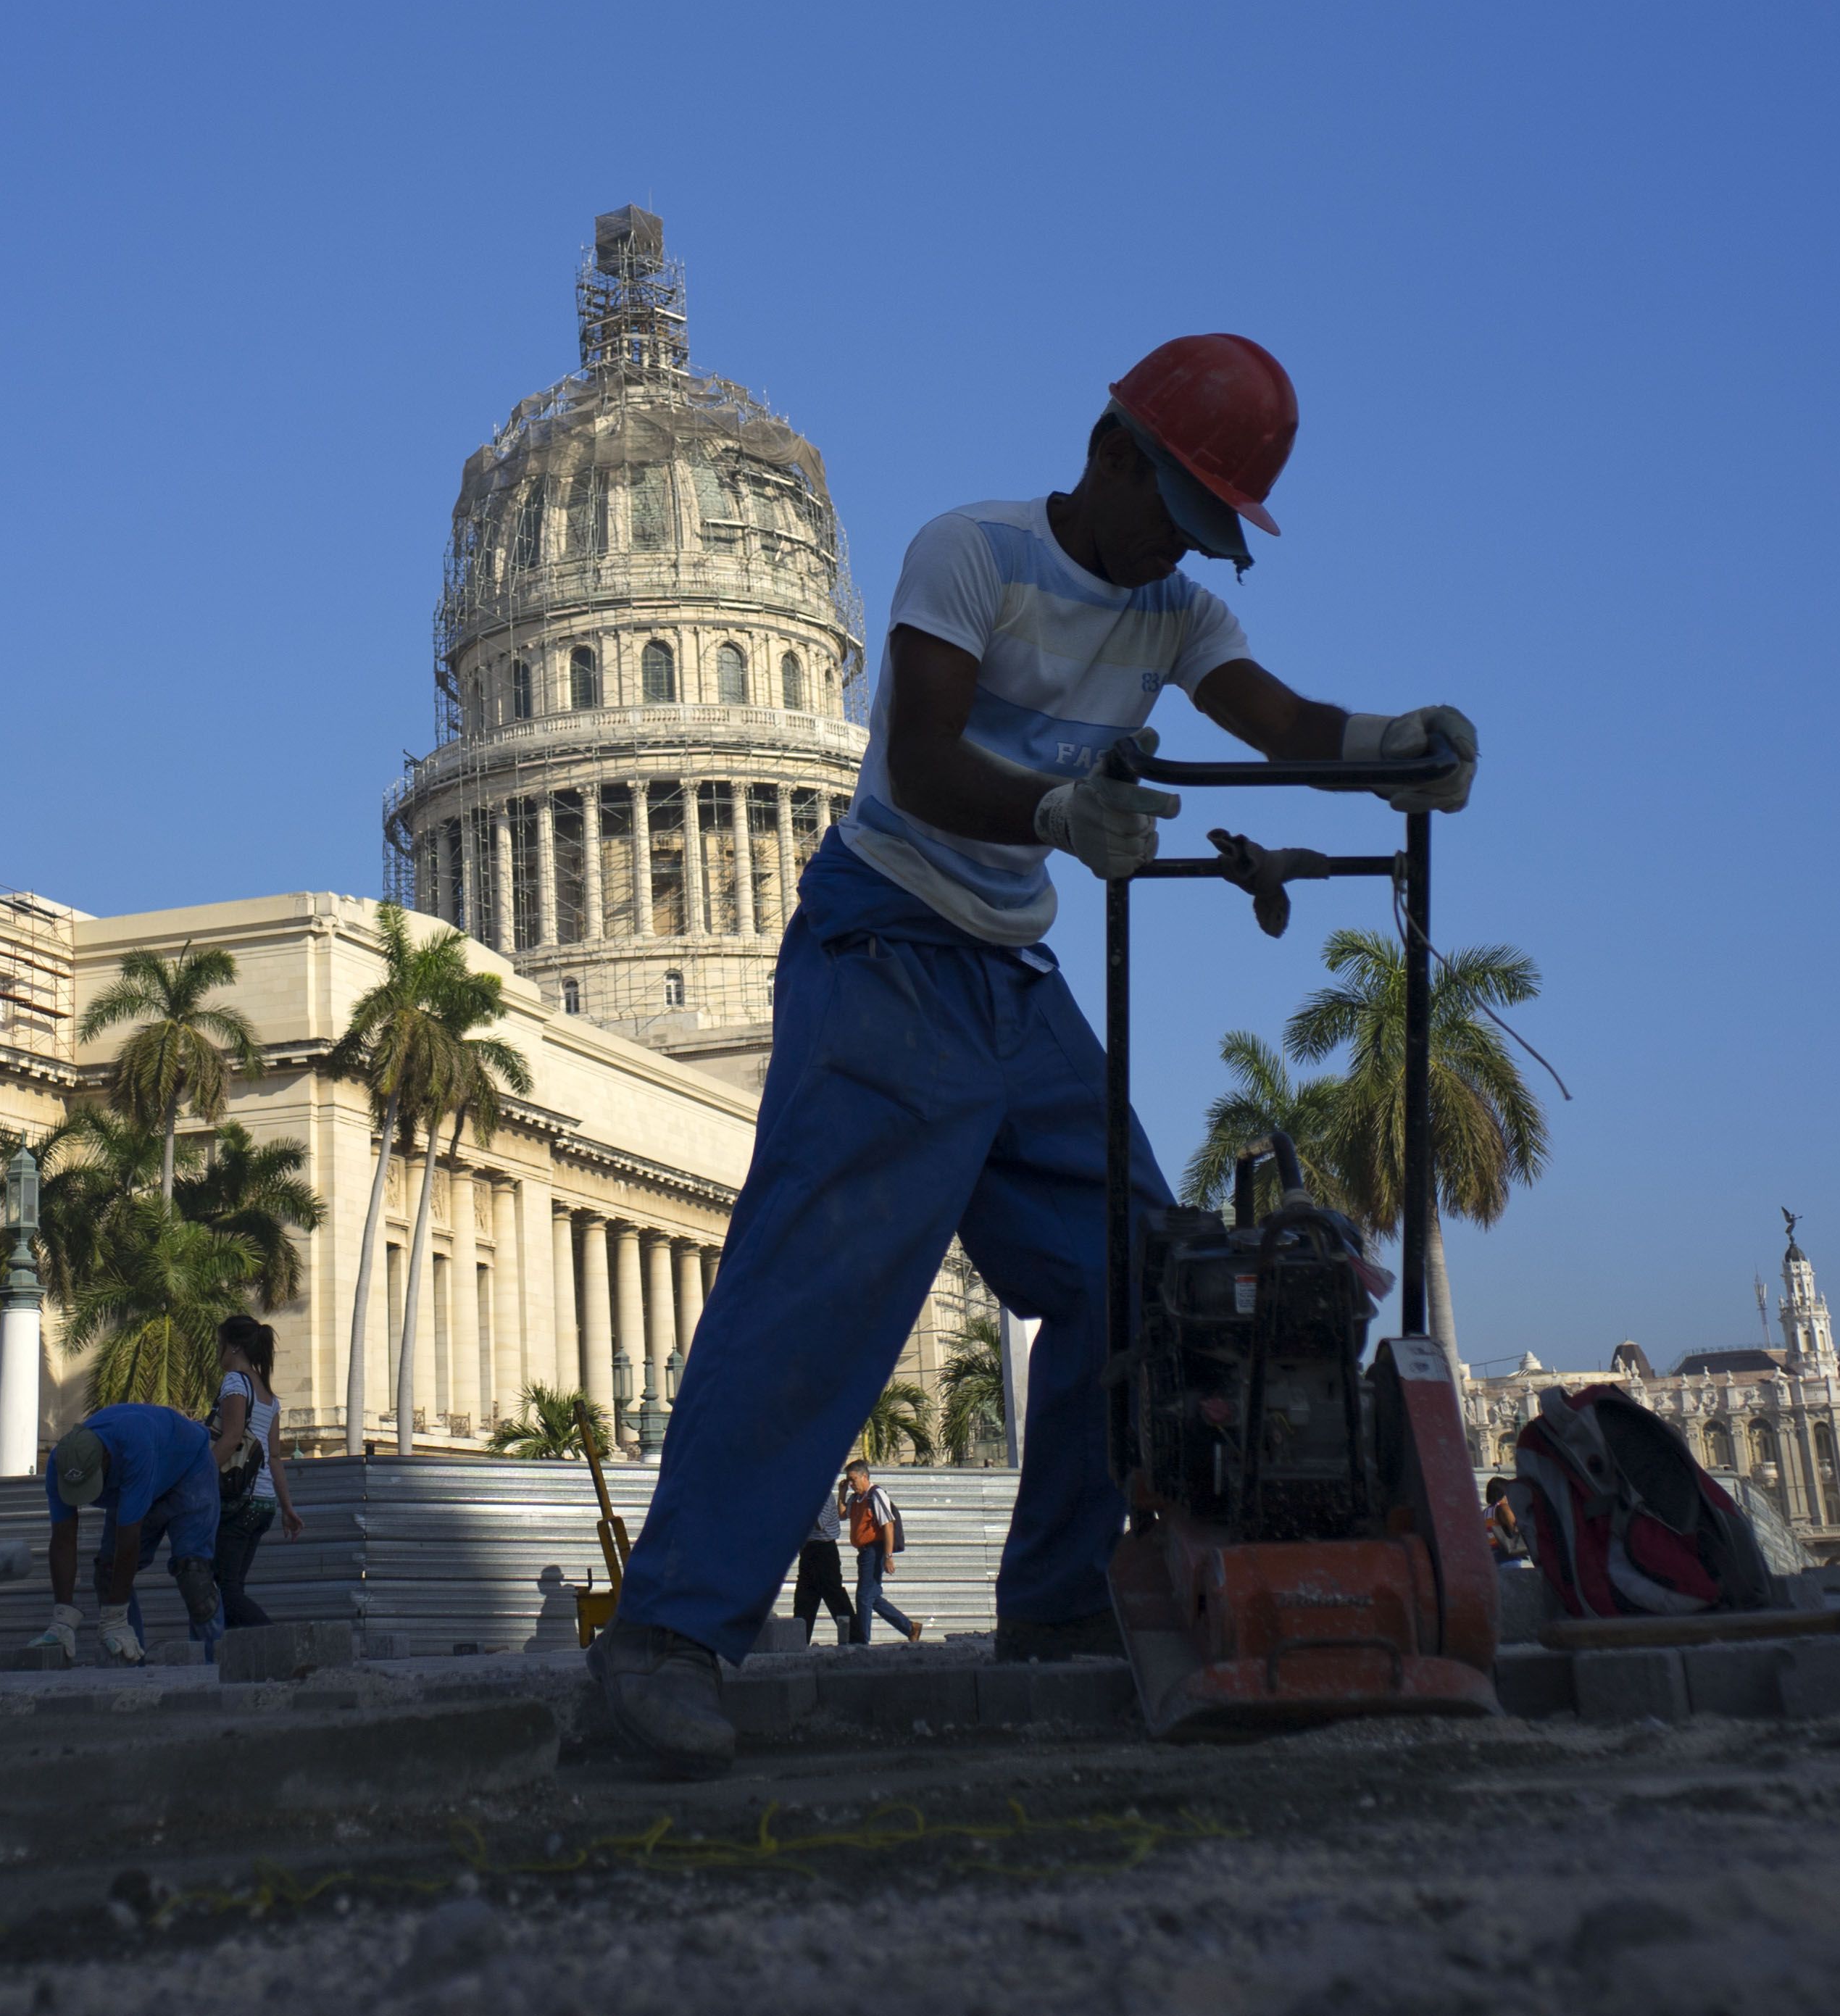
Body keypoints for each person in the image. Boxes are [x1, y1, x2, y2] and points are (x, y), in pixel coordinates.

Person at [588, 335, 1477, 1777]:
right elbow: (924, 759)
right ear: (1110, 453)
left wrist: (1396, 746)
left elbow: (1280, 722)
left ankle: (1059, 1602)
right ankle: (666, 1640)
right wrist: (1059, 814)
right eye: (1173, 517)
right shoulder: (972, 555)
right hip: (887, 945)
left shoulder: (1175, 611)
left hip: (1010, 973)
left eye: (1206, 536)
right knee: (824, 1282)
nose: (1175, 556)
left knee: (1134, 1268)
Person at [30, 1401, 225, 1663]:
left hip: (189, 1470)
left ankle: (215, 1665)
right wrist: (62, 1618)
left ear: (105, 1461)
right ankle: (131, 1667)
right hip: (140, 1473)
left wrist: (115, 1617)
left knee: (194, 1575)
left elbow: (129, 1539)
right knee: (107, 1573)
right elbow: (63, 1540)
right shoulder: (60, 1464)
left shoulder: (134, 1445)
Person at [207, 1316, 303, 1630]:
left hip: (238, 1503)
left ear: (234, 1346)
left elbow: (231, 1438)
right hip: (263, 1504)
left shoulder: (235, 1382)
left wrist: (198, 1476)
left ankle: (275, 1641)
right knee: (233, 1586)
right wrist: (287, 1508)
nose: (218, 1351)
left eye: (220, 1343)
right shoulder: (268, 1395)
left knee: (223, 1589)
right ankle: (242, 1650)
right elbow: (274, 1457)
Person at [841, 1462, 923, 1645]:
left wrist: (888, 1556)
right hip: (864, 1552)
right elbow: (842, 1515)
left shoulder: (876, 1495)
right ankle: (910, 1628)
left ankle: (862, 1641)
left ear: (864, 1477)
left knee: (864, 1597)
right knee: (872, 1597)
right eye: (849, 1481)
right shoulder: (856, 1499)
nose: (851, 1484)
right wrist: (842, 1493)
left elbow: (888, 1526)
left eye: (853, 1480)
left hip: (875, 1550)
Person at [791, 1511, 859, 1646]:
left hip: (824, 1549)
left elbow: (820, 1524)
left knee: (835, 1597)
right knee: (804, 1598)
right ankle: (799, 1642)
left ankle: (855, 1639)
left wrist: (806, 1506)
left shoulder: (824, 1500)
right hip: (808, 1550)